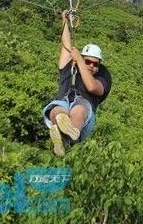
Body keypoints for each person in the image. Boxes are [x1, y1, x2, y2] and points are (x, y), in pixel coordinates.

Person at [42, 10, 112, 156]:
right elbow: (66, 45)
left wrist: (80, 61)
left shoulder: (102, 76)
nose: (92, 66)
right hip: (63, 101)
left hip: (84, 113)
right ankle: (62, 136)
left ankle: (70, 132)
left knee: (78, 109)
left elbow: (93, 88)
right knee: (57, 109)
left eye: (95, 64)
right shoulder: (69, 67)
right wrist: (65, 21)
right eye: (88, 62)